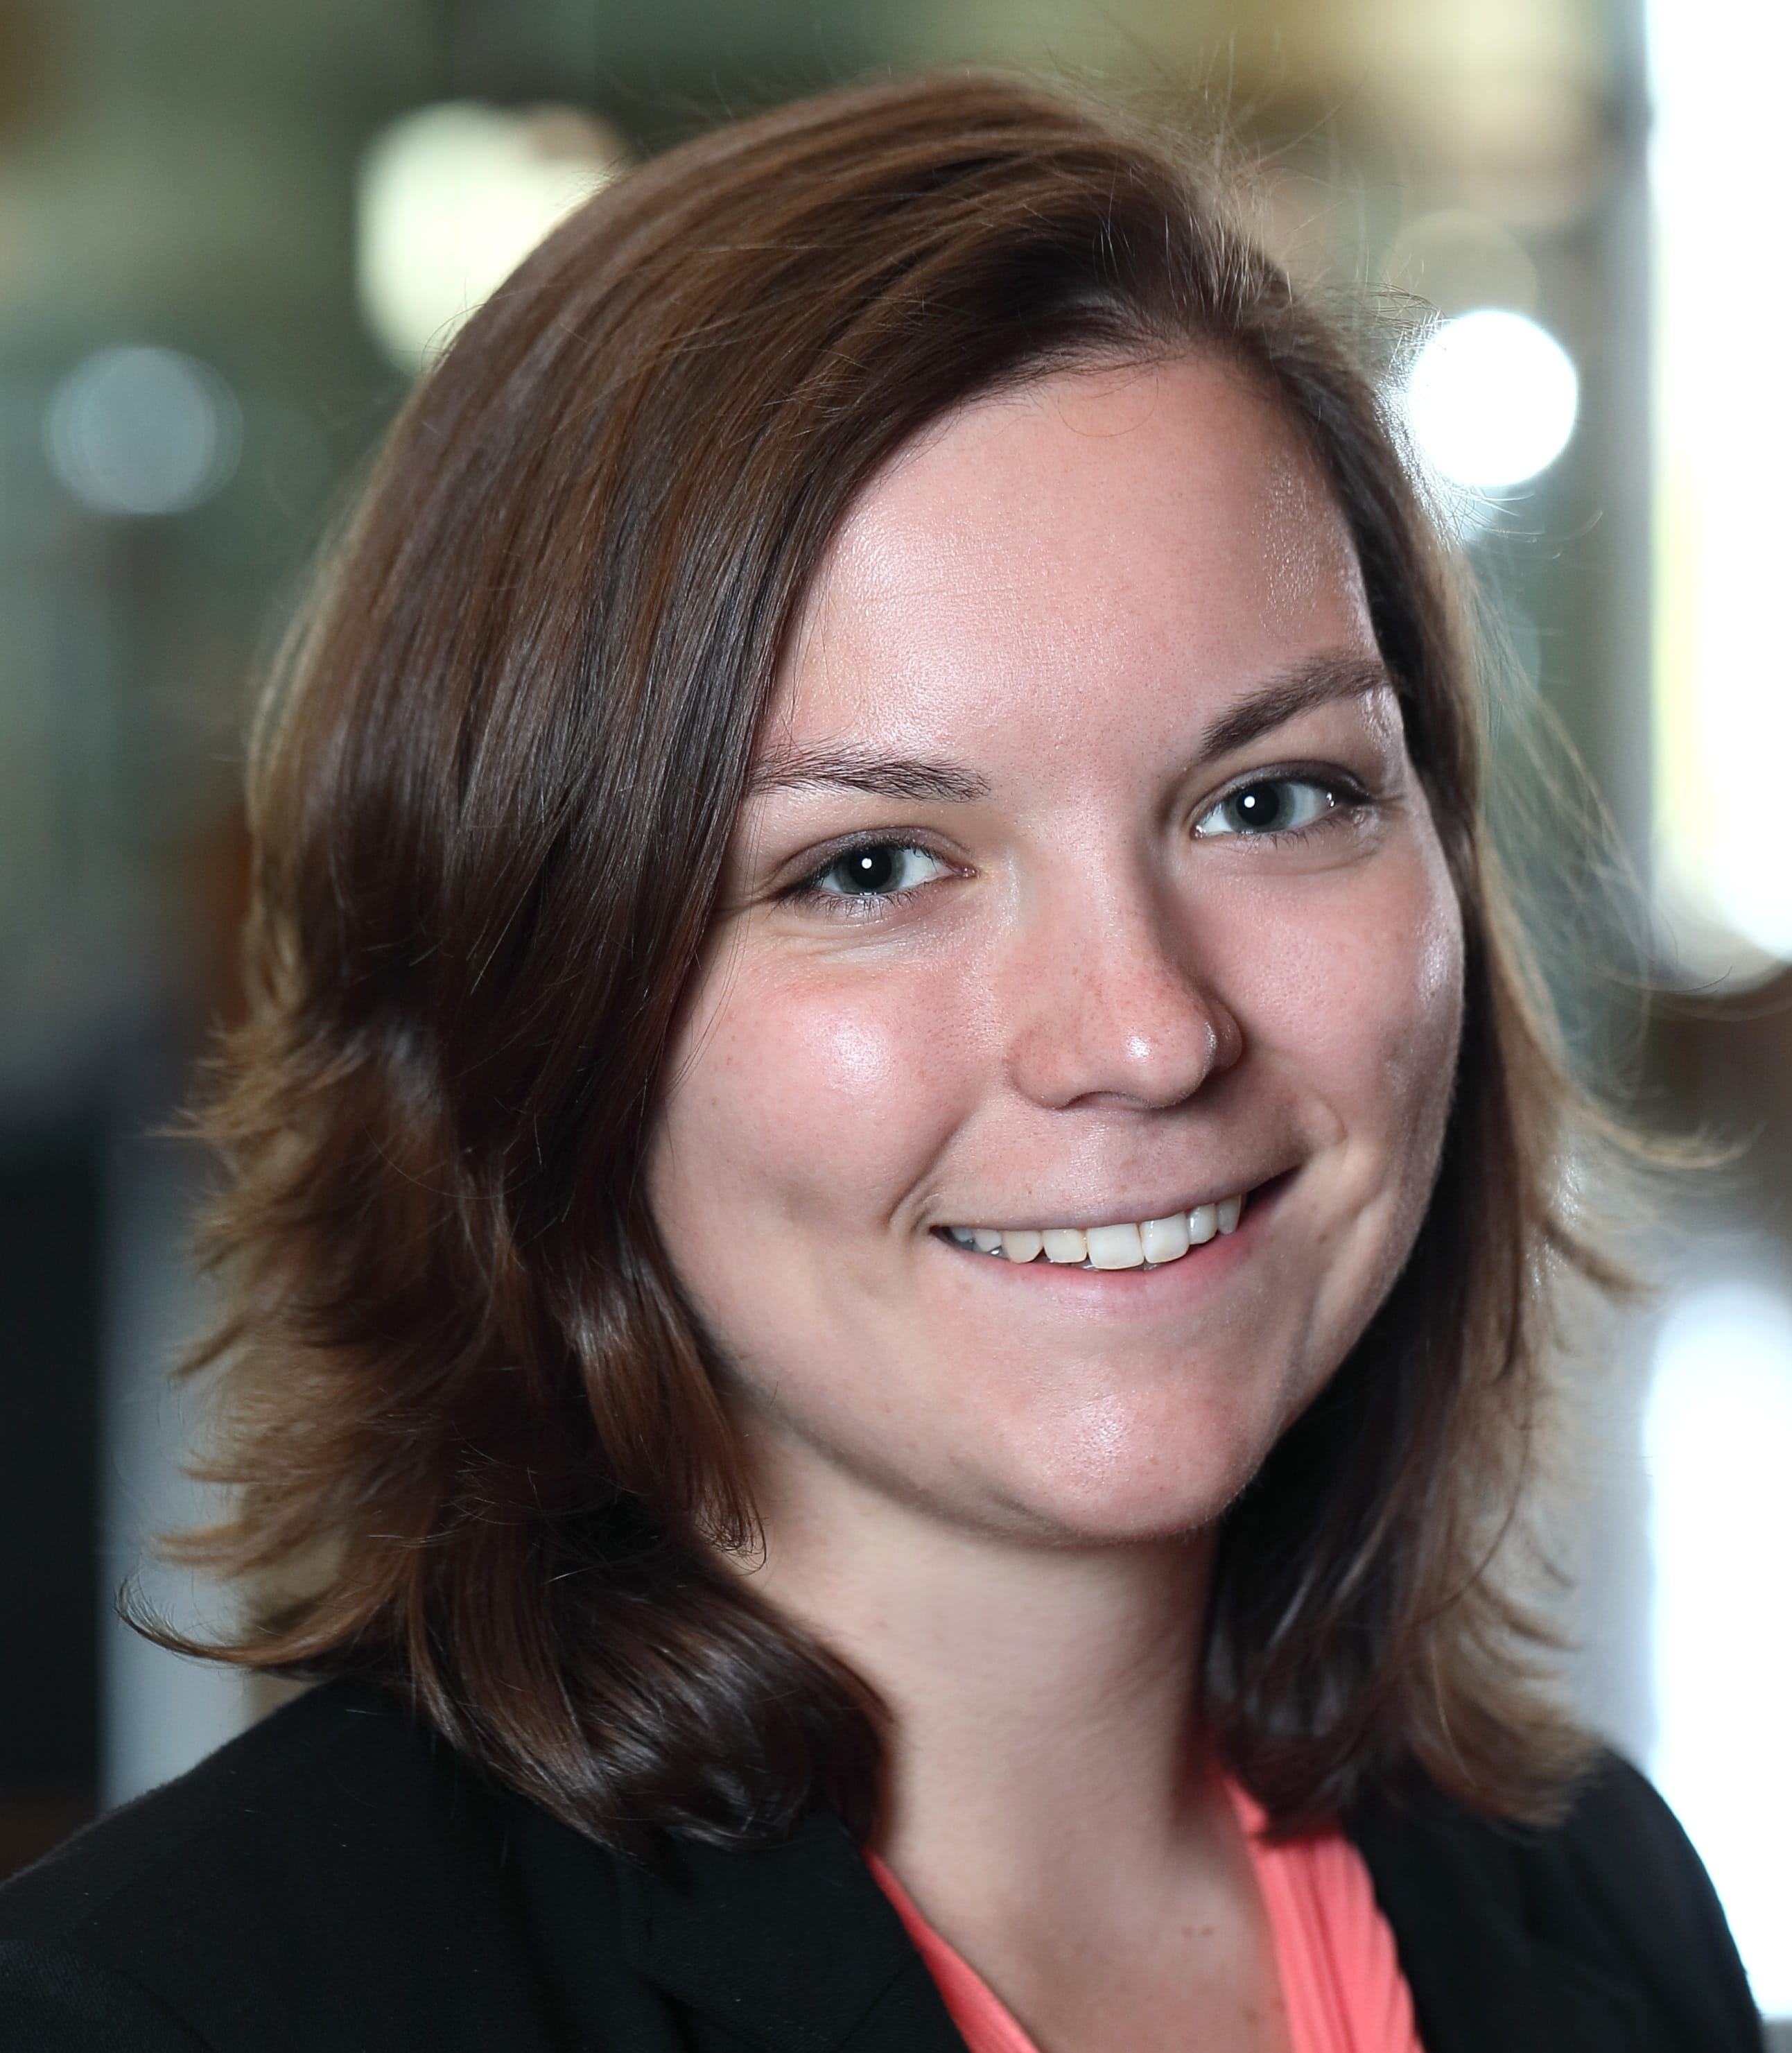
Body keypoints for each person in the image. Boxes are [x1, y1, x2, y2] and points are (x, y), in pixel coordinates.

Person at [0, 71, 1762, 2053]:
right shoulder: (166, 2016)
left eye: (1270, 800)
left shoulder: (1592, 1896)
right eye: (870, 866)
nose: (1144, 1032)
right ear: (540, 1003)